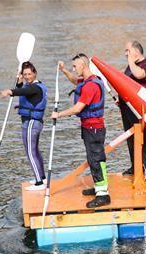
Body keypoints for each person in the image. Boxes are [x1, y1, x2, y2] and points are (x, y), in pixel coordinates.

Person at [52, 53, 110, 209]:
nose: (74, 69)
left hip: (94, 128)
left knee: (96, 160)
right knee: (93, 159)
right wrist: (64, 70)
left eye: (75, 66)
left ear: (83, 65)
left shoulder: (91, 85)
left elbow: (78, 108)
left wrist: (59, 114)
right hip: (89, 127)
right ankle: (99, 188)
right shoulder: (86, 81)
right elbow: (74, 80)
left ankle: (103, 195)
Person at [0, 61, 47, 191]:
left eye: (29, 74)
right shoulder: (31, 86)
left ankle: (39, 183)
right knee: (35, 151)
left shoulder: (35, 87)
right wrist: (19, 83)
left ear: (34, 73)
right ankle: (42, 178)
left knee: (31, 152)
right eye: (24, 74)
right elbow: (24, 92)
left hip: (32, 122)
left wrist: (9, 91)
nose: (27, 76)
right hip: (31, 121)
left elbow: (23, 91)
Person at [119, 41, 146, 182]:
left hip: (141, 110)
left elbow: (138, 75)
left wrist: (131, 62)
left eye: (128, 51)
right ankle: (136, 166)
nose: (126, 54)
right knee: (131, 137)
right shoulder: (131, 65)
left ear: (136, 51)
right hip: (128, 108)